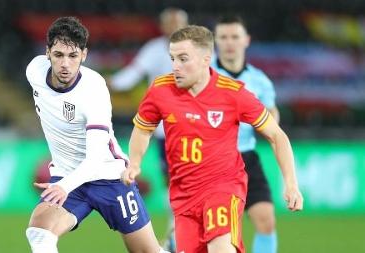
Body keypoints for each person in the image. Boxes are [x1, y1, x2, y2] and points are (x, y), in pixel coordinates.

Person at [121, 25, 303, 253]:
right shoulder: (160, 90)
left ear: (205, 59)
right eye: (172, 58)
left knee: (220, 248)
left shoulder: (233, 93)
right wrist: (135, 163)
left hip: (223, 188)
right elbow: (143, 129)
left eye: (183, 59)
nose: (175, 66)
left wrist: (291, 184)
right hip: (183, 196)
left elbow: (277, 136)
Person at [25, 17, 167, 253]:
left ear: (84, 55)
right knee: (39, 233)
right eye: (58, 55)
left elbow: (95, 158)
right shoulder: (34, 71)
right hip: (67, 175)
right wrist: (65, 183)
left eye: (73, 56)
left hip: (108, 177)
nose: (65, 64)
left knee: (146, 251)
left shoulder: (94, 89)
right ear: (47, 53)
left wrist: (63, 186)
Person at [110, 9, 188, 251]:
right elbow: (133, 73)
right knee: (175, 185)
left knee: (192, 184)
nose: (173, 27)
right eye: (169, 23)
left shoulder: (198, 51)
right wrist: (111, 83)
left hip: (196, 127)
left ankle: (182, 236)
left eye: (178, 23)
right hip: (166, 131)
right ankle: (177, 236)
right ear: (162, 26)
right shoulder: (155, 49)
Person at [212, 14, 279, 253]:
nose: (229, 42)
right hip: (212, 161)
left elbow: (272, 116)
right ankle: (175, 243)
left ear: (246, 40)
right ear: (216, 41)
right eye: (223, 37)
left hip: (246, 157)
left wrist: (270, 126)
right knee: (216, 231)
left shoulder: (259, 80)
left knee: (266, 221)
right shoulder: (203, 75)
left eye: (235, 36)